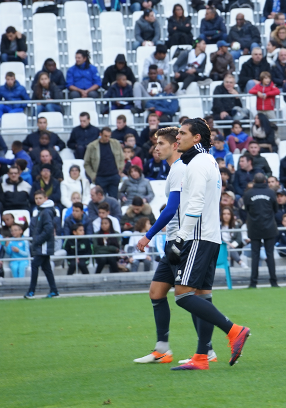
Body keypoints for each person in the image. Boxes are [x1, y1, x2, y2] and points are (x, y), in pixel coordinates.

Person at [161, 118, 251, 370]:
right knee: (203, 296)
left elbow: (196, 203)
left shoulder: (198, 163)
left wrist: (180, 237)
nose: (177, 137)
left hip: (198, 237)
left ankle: (234, 330)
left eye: (182, 133)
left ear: (196, 137)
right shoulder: (207, 160)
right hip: (211, 237)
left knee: (182, 295)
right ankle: (201, 357)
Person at [134, 126, 201, 368]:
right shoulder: (175, 169)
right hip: (174, 241)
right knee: (157, 292)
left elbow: (171, 209)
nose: (156, 148)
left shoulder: (181, 168)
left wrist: (148, 235)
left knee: (188, 296)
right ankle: (162, 350)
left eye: (160, 143)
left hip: (181, 242)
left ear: (174, 145)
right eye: (155, 144)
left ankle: (208, 349)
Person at [242, 172, 279, 288]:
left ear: (254, 181)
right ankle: (273, 282)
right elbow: (275, 209)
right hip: (269, 227)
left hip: (254, 227)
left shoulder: (248, 193)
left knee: (255, 255)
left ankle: (253, 282)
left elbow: (246, 209)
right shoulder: (271, 192)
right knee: (270, 255)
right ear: (265, 181)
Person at [24, 191, 58, 299]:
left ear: (45, 198)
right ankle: (54, 290)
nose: (38, 200)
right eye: (36, 198)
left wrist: (37, 240)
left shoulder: (45, 212)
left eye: (40, 198)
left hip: (43, 245)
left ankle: (31, 291)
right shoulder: (43, 211)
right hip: (43, 244)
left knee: (35, 265)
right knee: (46, 268)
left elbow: (48, 230)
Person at [84, 127, 125, 199]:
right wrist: (93, 176)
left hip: (114, 176)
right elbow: (86, 163)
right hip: (100, 177)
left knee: (114, 199)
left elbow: (122, 158)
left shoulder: (116, 143)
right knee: (101, 200)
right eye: (105, 136)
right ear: (100, 134)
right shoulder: (92, 146)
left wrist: (120, 170)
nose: (107, 138)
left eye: (109, 136)